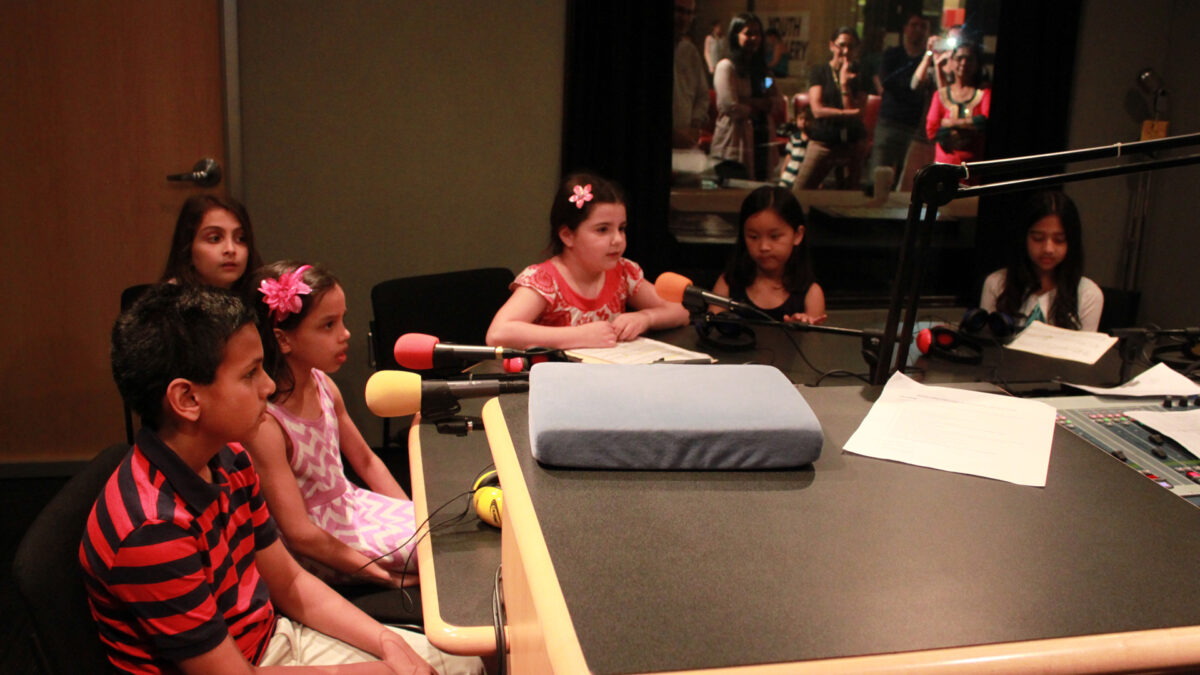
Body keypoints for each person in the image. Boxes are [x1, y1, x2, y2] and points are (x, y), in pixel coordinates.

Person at [82, 283, 481, 673]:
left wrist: (385, 642)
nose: (269, 385)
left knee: (469, 654)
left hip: (271, 639)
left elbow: (288, 581)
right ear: (187, 399)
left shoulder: (230, 456)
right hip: (242, 664)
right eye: (250, 374)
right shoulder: (153, 531)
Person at [246, 261, 419, 589]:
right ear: (283, 340)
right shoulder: (269, 424)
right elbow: (299, 534)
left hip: (352, 508)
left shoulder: (322, 383)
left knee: (442, 531)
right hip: (321, 541)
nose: (345, 334)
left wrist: (411, 515)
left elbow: (367, 461)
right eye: (328, 325)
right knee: (431, 552)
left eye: (342, 320)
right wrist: (382, 575)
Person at [486, 173, 689, 349]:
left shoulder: (623, 272)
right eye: (602, 230)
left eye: (622, 228)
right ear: (567, 235)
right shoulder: (545, 280)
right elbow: (498, 334)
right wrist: (579, 336)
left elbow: (680, 311)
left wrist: (646, 318)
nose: (617, 239)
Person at [980, 191, 1104, 331]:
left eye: (1059, 240)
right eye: (1038, 238)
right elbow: (988, 346)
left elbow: (1084, 350)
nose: (1048, 249)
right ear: (1024, 238)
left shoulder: (1087, 294)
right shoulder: (997, 284)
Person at [711, 186, 826, 323]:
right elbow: (711, 329)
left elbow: (816, 342)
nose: (764, 247)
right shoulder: (728, 283)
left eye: (774, 237)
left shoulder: (811, 293)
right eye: (753, 237)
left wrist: (802, 331)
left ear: (797, 235)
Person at [791, 27, 869, 191]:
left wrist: (844, 84)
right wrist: (848, 113)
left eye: (851, 46)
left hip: (853, 141)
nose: (846, 51)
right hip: (824, 140)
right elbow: (818, 110)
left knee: (851, 195)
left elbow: (857, 115)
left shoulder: (861, 74)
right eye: (842, 45)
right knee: (800, 190)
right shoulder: (820, 71)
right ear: (832, 46)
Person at [864, 14, 931, 192]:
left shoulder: (929, 59)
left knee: (906, 181)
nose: (918, 29)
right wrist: (913, 87)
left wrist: (908, 86)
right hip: (889, 122)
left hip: (914, 126)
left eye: (923, 26)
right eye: (914, 25)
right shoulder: (892, 55)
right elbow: (887, 82)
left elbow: (925, 88)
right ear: (905, 29)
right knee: (877, 176)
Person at [710, 13, 777, 180]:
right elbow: (729, 106)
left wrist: (748, 101)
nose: (754, 38)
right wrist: (758, 105)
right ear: (736, 35)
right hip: (734, 141)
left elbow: (775, 100)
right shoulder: (726, 67)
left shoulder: (764, 71)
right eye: (748, 33)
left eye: (757, 33)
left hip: (762, 139)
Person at [159, 194, 263, 293]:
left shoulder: (262, 295)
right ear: (188, 248)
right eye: (215, 238)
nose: (230, 249)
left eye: (241, 238)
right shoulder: (169, 302)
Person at [926, 40, 991, 167]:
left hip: (973, 168)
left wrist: (951, 122)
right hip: (944, 166)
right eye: (959, 58)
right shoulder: (941, 95)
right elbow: (932, 131)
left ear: (977, 63)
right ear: (951, 62)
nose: (964, 63)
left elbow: (985, 122)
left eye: (969, 59)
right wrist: (970, 125)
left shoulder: (984, 93)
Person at [673, 0, 709, 148]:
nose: (684, 18)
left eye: (689, 13)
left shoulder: (689, 51)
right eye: (679, 11)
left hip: (685, 139)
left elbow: (702, 95)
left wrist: (694, 125)